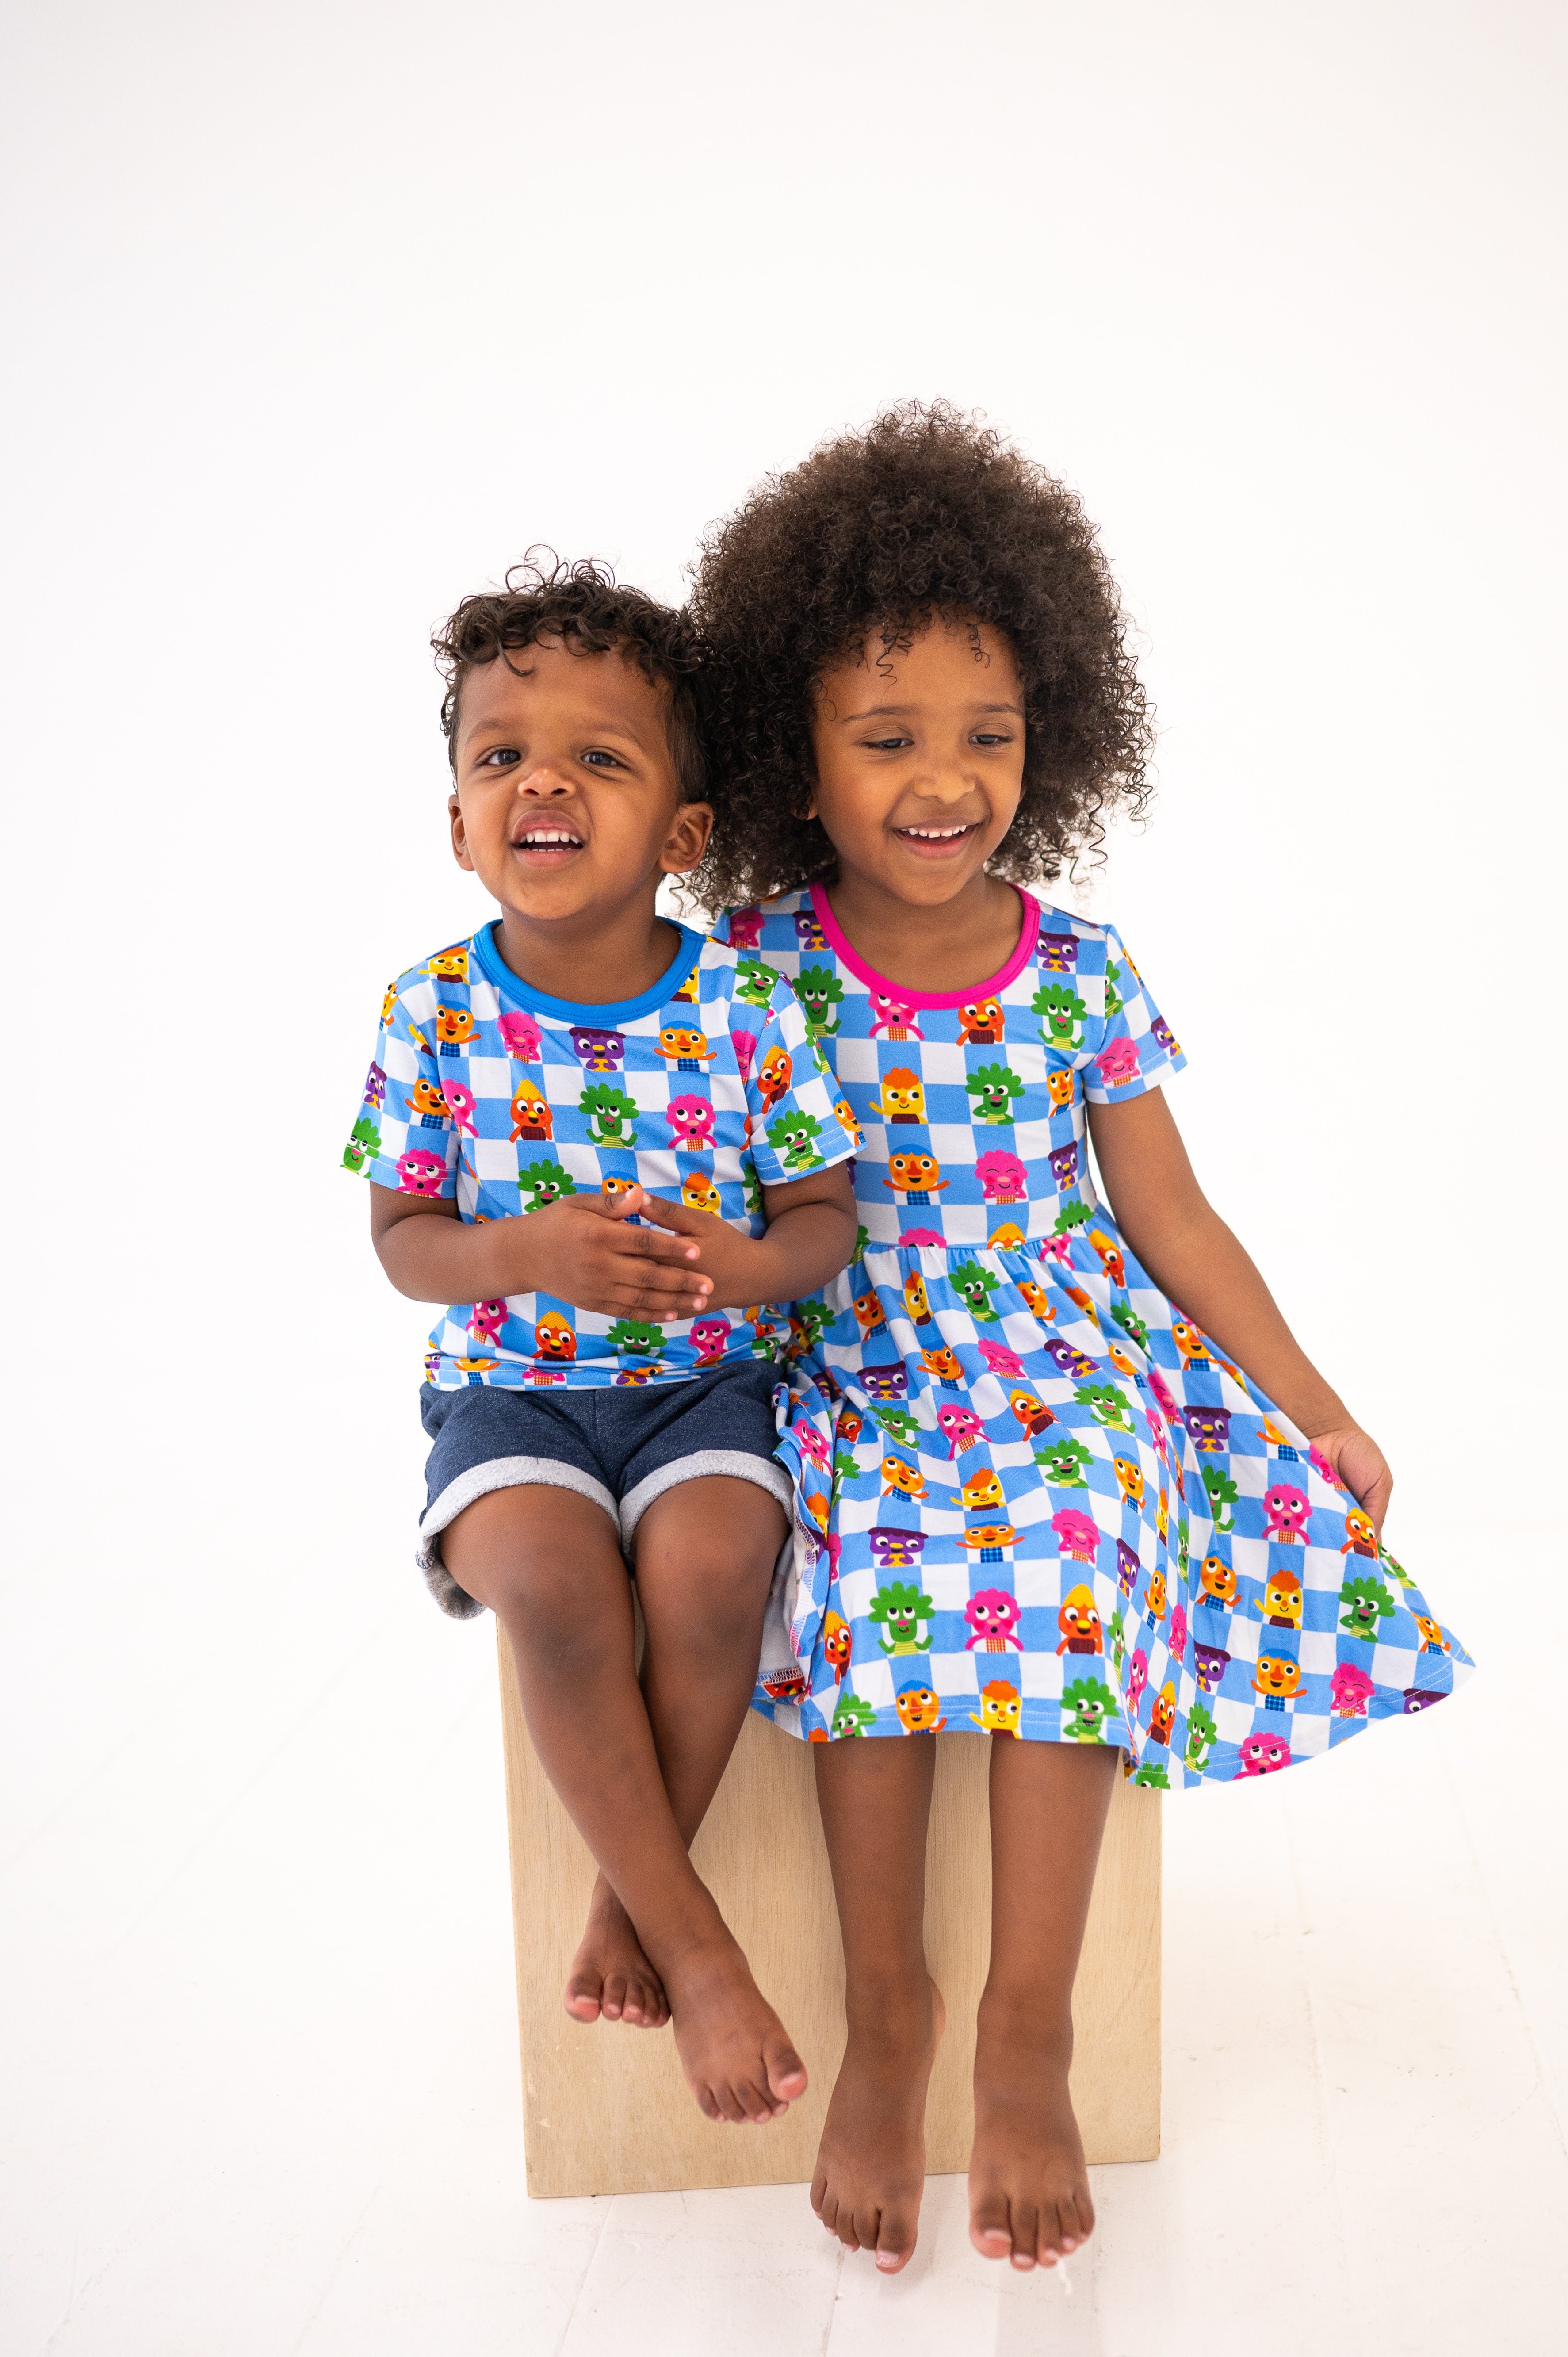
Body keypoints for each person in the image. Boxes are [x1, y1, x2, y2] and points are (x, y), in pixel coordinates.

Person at [688, 406, 1472, 2265]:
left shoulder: (1078, 973)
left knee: (1073, 1552)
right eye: (885, 738)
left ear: (1050, 745)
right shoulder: (757, 973)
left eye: (986, 734)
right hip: (854, 1359)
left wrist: (1319, 1405)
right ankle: (891, 2011)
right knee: (863, 1578)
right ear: (796, 760)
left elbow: (1170, 1218)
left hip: (1052, 1362)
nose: (939, 777)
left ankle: (1020, 2025)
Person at [345, 557, 858, 2127]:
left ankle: (623, 1908)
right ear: (456, 820)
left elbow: (825, 1217)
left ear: (681, 839)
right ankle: (696, 1946)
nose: (541, 778)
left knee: (713, 1574)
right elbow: (402, 1246)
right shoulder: (431, 1010)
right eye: (500, 756)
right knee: (559, 1596)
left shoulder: (746, 1008)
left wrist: (746, 1264)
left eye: (598, 756)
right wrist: (530, 1251)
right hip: (509, 1404)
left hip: (703, 1387)